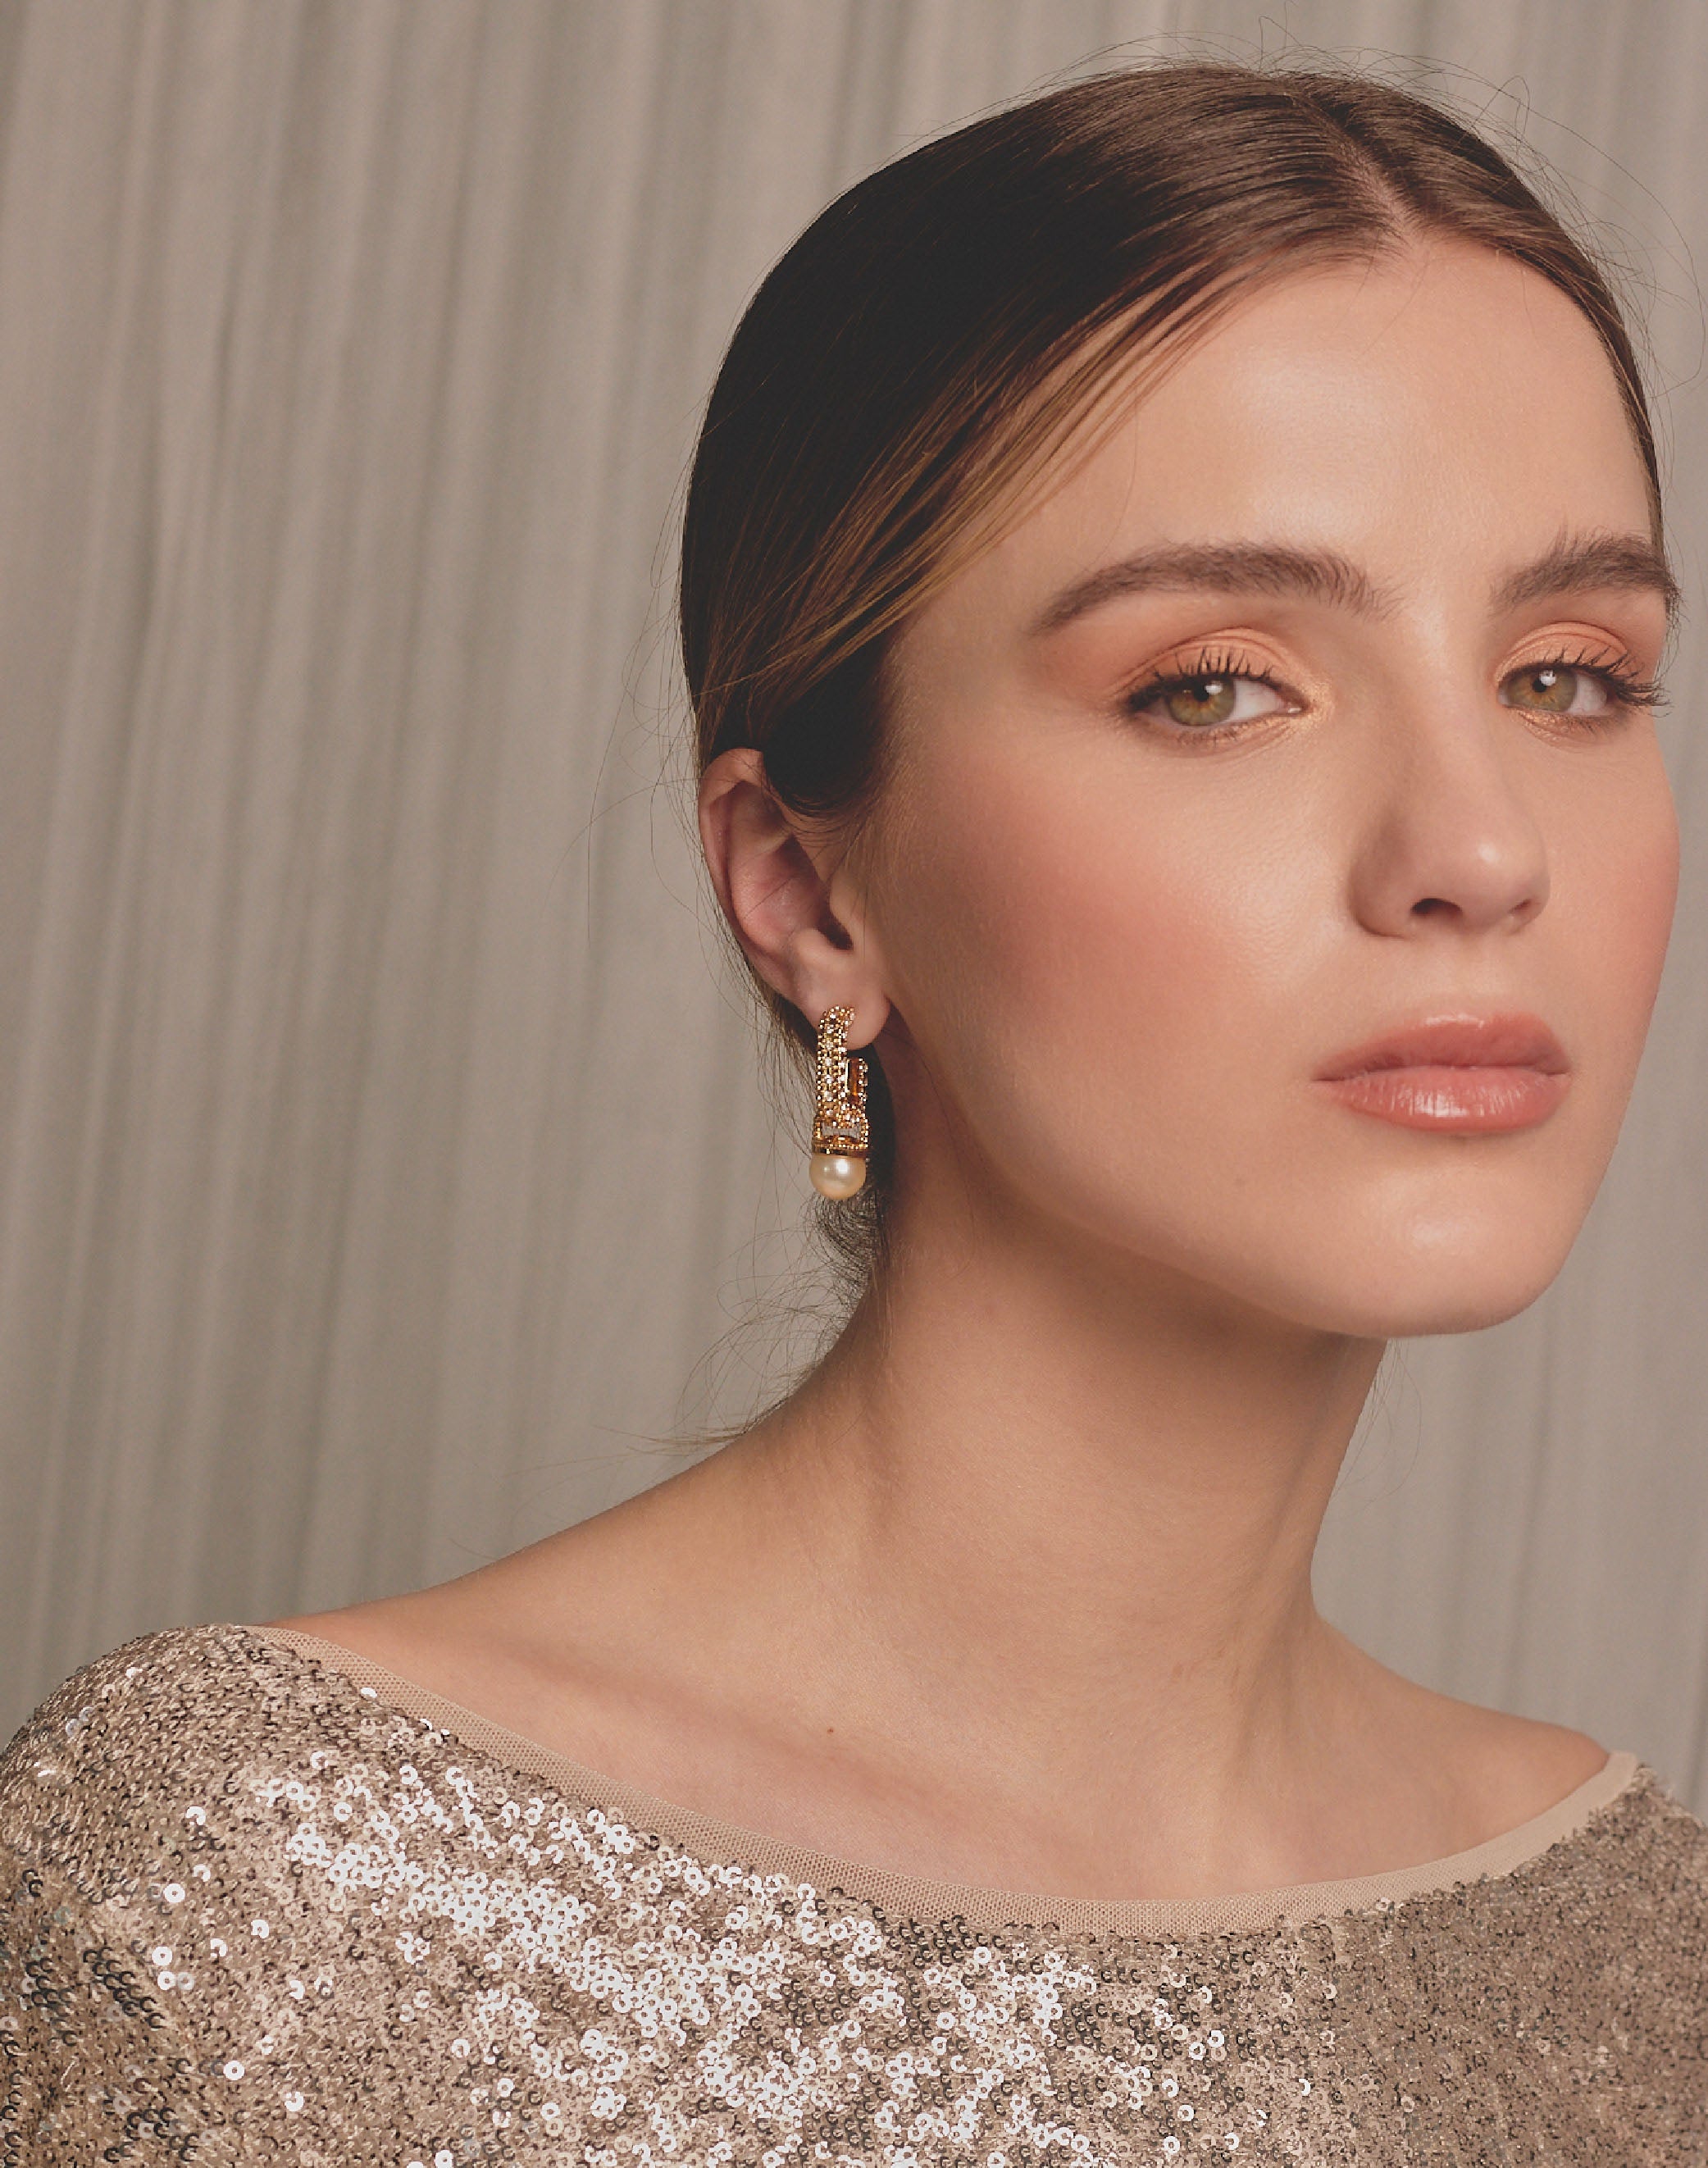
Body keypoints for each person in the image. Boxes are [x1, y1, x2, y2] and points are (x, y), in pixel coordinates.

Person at [2, 58, 1702, 2165]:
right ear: (809, 891)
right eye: (1213, 684)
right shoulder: (268, 1896)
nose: (1480, 848)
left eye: (1567, 674)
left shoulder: (1642, 1965)